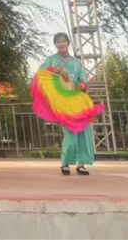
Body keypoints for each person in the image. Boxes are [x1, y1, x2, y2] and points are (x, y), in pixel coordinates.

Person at [43, 32, 94, 176]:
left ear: (68, 43)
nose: (61, 44)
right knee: (70, 133)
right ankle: (65, 163)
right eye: (57, 42)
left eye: (63, 41)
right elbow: (42, 73)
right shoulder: (51, 60)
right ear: (55, 44)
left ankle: (81, 164)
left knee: (83, 132)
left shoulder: (76, 62)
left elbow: (83, 79)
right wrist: (58, 71)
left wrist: (81, 85)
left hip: (77, 99)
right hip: (62, 101)